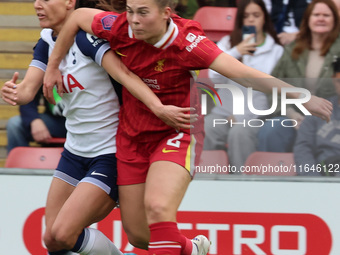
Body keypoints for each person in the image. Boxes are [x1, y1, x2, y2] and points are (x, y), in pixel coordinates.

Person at [42, 0, 333, 254]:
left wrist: (302, 97)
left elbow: (244, 74)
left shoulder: (188, 42)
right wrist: (53, 66)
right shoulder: (119, 27)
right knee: (139, 235)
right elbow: (78, 17)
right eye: (130, 11)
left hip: (177, 132)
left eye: (143, 12)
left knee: (158, 208)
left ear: (166, 13)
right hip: (131, 137)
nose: (133, 20)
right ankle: (191, 248)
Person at [1, 0, 192, 254]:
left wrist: (158, 108)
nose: (38, 5)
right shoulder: (46, 43)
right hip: (74, 153)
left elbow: (125, 75)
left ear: (70, 3)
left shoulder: (86, 40)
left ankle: (187, 247)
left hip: (109, 154)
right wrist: (13, 92)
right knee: (53, 239)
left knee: (65, 232)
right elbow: (26, 92)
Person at [204, 0, 284, 173]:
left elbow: (271, 92)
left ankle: (242, 181)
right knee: (207, 127)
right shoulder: (227, 43)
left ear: (265, 18)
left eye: (256, 15)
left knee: (239, 133)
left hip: (256, 116)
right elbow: (213, 76)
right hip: (222, 113)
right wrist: (236, 52)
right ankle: (206, 180)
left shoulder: (276, 50)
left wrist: (243, 116)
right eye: (246, 16)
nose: (251, 20)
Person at [257, 0, 340, 154]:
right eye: (316, 15)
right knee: (272, 129)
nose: (320, 18)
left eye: (326, 15)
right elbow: (273, 86)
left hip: (331, 118)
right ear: (308, 19)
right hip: (294, 116)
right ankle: (270, 176)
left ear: (334, 20)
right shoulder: (292, 49)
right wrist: (291, 113)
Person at [294, 57, 340, 176]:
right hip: (323, 178)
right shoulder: (318, 110)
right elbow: (303, 149)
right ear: (333, 80)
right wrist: (315, 181)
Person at [6, 87, 66, 153]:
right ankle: (19, 162)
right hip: (57, 123)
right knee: (15, 124)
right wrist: (34, 120)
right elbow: (28, 100)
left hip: (77, 124)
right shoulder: (43, 76)